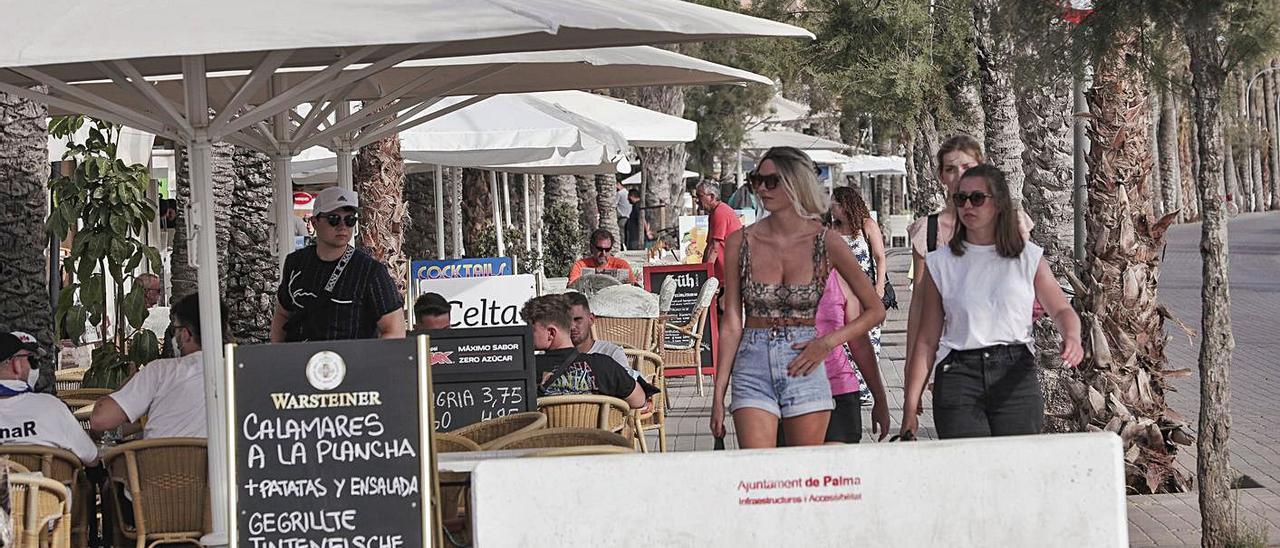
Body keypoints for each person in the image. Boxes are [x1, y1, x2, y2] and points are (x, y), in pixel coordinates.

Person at [709, 147, 886, 449]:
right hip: (753, 360)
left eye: (772, 181)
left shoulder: (825, 240)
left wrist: (828, 342)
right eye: (757, 180)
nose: (762, 188)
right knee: (760, 474)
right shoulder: (741, 240)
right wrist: (718, 393)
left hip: (805, 357)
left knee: (803, 475)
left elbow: (875, 310)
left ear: (796, 183)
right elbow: (732, 324)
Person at [901, 165, 1082, 439]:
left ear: (998, 203)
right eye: (960, 199)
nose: (967, 206)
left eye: (977, 198)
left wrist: (1072, 336)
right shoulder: (941, 263)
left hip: (1015, 372)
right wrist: (909, 406)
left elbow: (1060, 309)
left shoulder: (1027, 257)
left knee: (1015, 470)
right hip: (958, 375)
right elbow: (926, 341)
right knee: (970, 471)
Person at [903, 135, 1034, 414]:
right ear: (941, 176)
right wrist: (911, 379)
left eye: (966, 166)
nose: (959, 175)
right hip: (951, 360)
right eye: (951, 168)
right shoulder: (927, 231)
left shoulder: (1012, 222)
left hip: (1006, 355)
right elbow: (919, 306)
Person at [271, 187, 406, 342]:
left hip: (348, 363)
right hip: (299, 361)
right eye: (333, 219)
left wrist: (365, 362)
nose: (342, 226)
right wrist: (278, 355)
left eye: (350, 220)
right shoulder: (295, 262)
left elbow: (395, 330)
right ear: (314, 222)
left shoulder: (371, 271)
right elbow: (282, 313)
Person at [91, 293, 229, 440]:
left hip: (155, 462)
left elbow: (100, 419)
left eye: (174, 330)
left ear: (185, 334)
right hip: (217, 462)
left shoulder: (159, 371)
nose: (174, 337)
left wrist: (127, 385)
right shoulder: (237, 373)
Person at [521, 295, 652, 409]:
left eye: (531, 330)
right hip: (597, 436)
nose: (526, 334)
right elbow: (639, 400)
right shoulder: (604, 365)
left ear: (551, 333)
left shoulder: (525, 371)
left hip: (545, 436)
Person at [0, 333, 97, 464]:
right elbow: (90, 456)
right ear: (16, 365)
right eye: (31, 360)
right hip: (47, 484)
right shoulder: (51, 406)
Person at [829, 186, 886, 405]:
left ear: (845, 205)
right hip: (840, 294)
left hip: (867, 293)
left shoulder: (867, 225)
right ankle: (851, 388)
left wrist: (879, 286)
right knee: (844, 342)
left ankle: (867, 390)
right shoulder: (832, 230)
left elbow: (880, 257)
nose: (832, 210)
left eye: (835, 205)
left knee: (869, 340)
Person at [562, 292, 630, 373]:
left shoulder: (611, 353)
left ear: (591, 319)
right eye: (566, 321)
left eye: (577, 320)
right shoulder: (553, 358)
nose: (572, 326)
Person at [695, 180, 743, 285]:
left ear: (711, 197)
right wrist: (702, 269)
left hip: (728, 275)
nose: (697, 200)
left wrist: (705, 275)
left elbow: (714, 248)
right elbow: (709, 246)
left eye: (699, 196)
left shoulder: (720, 212)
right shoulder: (714, 213)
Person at [567, 229, 637, 285]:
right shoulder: (580, 266)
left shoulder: (622, 265)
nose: (603, 253)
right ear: (591, 248)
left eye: (607, 250)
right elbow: (572, 286)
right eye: (600, 249)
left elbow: (635, 287)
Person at [615, 181, 632, 247]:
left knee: (621, 231)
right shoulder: (627, 192)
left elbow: (614, 204)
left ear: (618, 184)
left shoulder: (619, 193)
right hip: (628, 215)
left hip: (621, 215)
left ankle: (622, 244)